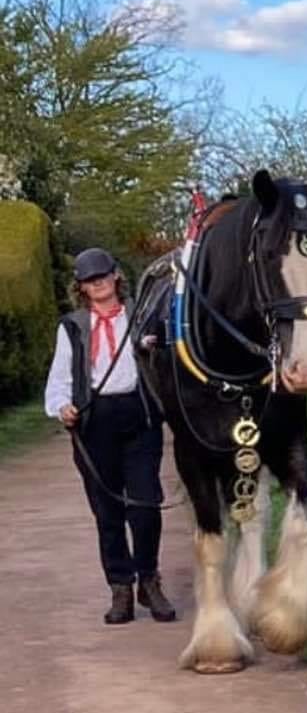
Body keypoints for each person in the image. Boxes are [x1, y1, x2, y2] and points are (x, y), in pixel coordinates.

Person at [44, 247, 176, 625]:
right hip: (93, 423)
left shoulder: (143, 314)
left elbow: (168, 356)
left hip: (139, 416)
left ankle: (149, 581)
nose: (97, 283)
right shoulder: (71, 326)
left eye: (102, 275)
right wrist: (62, 407)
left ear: (116, 275)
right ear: (81, 287)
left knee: (146, 504)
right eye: (88, 279)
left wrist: (154, 345)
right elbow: (60, 379)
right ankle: (120, 588)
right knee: (107, 511)